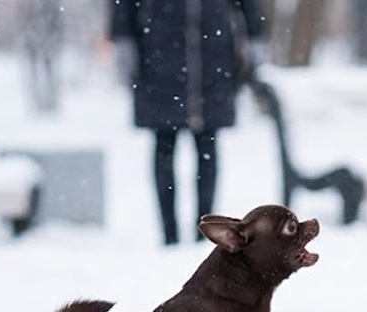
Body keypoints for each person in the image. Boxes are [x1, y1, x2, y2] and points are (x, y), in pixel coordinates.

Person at [110, 0, 265, 245]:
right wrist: (123, 39)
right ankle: (169, 235)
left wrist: (254, 36)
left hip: (212, 54)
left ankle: (204, 232)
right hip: (159, 52)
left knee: (207, 145)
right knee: (165, 144)